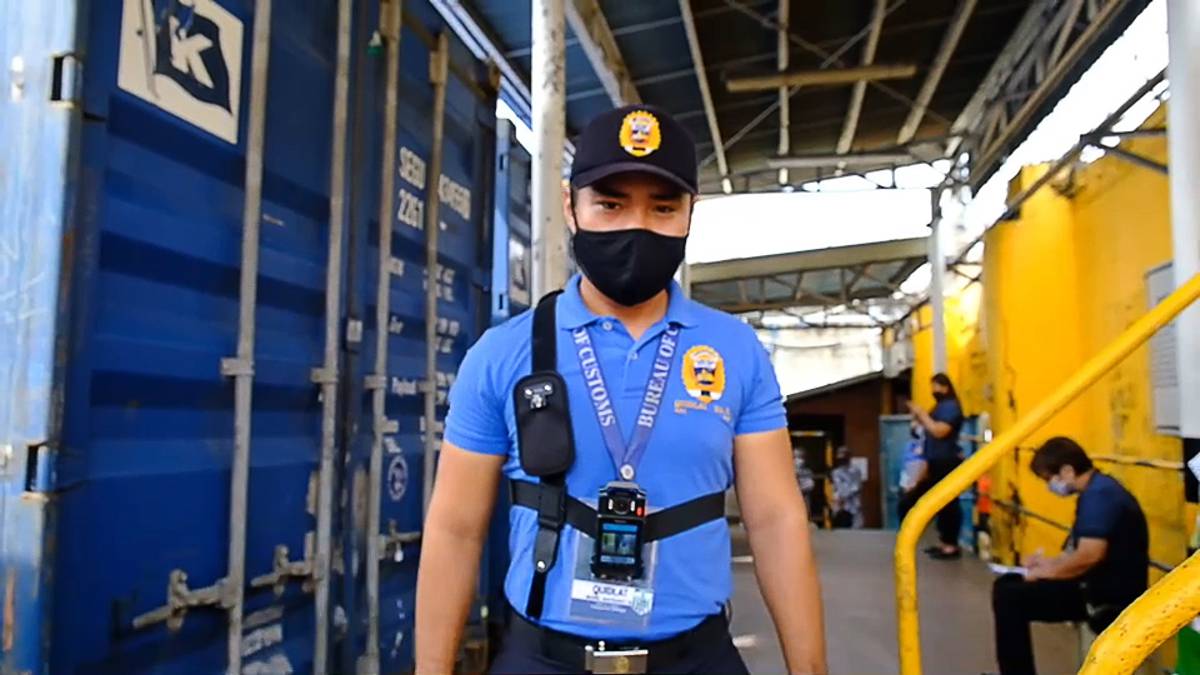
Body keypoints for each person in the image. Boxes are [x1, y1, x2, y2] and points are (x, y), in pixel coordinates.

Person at [414, 104, 827, 675]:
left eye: (663, 208)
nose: (636, 227)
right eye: (610, 204)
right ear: (570, 206)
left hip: (696, 659)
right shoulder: (502, 354)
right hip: (542, 660)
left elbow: (777, 520)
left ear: (690, 214)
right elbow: (455, 529)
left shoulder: (735, 351)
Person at [990, 437, 1148, 675]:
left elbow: (1089, 555)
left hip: (1105, 595)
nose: (1050, 486)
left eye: (1049, 479)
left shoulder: (1099, 497)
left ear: (1067, 470)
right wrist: (1048, 563)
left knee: (1009, 596)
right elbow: (1079, 551)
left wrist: (1047, 572)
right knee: (1009, 587)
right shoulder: (1098, 489)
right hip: (1094, 585)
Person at [900, 373, 966, 559]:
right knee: (923, 502)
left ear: (945, 387)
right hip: (935, 461)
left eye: (936, 386)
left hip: (946, 461)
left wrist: (922, 414)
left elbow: (939, 431)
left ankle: (950, 545)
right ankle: (944, 542)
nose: (933, 391)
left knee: (948, 505)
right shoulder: (941, 407)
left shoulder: (950, 407)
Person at [830, 447, 864, 529]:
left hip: (853, 505)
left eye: (844, 457)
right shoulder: (836, 472)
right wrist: (839, 497)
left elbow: (857, 486)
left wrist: (845, 495)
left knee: (856, 529)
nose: (842, 460)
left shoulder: (855, 470)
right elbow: (837, 487)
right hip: (840, 505)